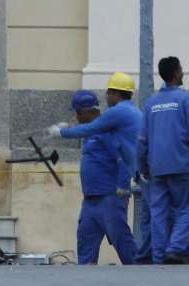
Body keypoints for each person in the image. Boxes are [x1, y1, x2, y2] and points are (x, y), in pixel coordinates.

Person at [48, 72, 149, 263]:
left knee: (124, 244)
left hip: (110, 197)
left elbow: (122, 158)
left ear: (89, 111)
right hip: (90, 201)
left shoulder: (106, 131)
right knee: (85, 242)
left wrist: (122, 186)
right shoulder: (95, 131)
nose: (77, 117)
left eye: (78, 113)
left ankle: (140, 277)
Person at [137, 57, 189, 265]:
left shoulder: (151, 103)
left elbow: (142, 140)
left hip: (157, 169)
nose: (183, 72)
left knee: (159, 212)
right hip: (183, 166)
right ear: (176, 73)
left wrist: (142, 168)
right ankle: (176, 248)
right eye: (181, 69)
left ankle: (159, 255)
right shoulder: (185, 100)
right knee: (185, 208)